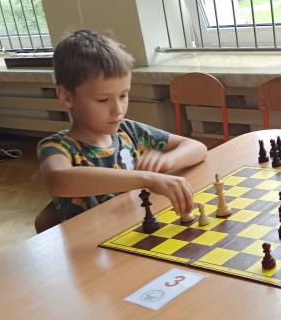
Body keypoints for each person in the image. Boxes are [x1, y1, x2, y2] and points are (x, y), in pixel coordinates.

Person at [38, 30, 207, 222]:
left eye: (123, 95)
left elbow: (198, 148)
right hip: (92, 239)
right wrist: (147, 179)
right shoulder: (58, 147)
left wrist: (168, 160)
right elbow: (59, 180)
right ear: (66, 97)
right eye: (103, 100)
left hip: (132, 229)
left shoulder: (129, 132)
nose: (118, 109)